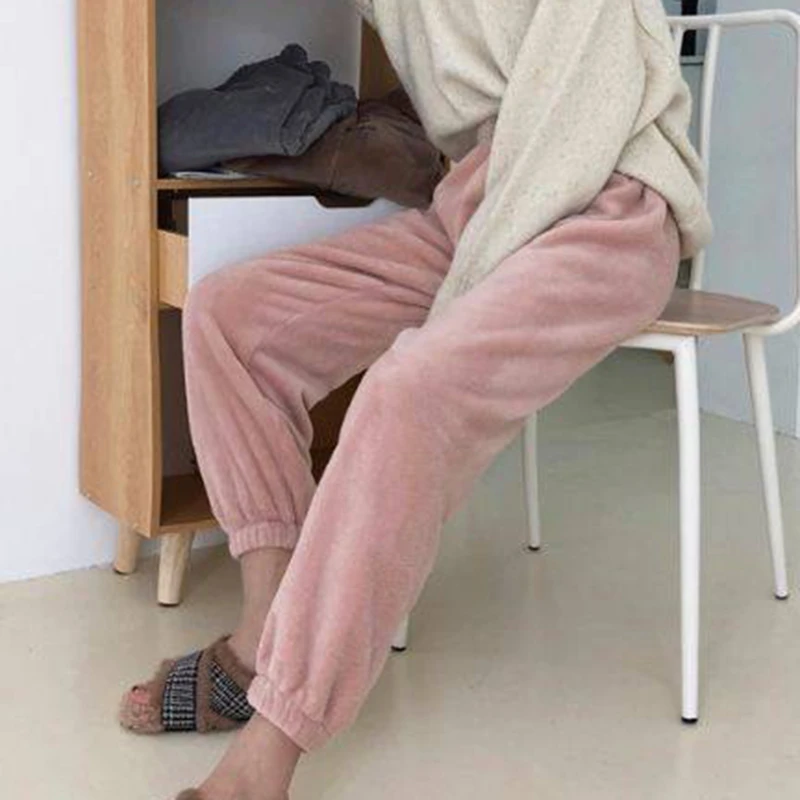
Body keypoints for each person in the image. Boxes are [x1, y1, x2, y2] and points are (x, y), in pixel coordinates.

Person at [119, 1, 713, 798]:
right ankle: (266, 626)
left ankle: (277, 736)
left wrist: (459, 304)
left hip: (605, 204)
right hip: (480, 206)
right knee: (230, 317)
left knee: (407, 390)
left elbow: (576, 123)